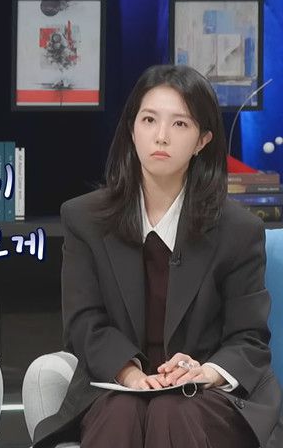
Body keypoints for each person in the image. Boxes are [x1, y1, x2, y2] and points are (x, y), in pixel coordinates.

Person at [32, 64, 282, 447]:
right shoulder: (85, 219)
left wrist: (204, 372)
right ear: (132, 129)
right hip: (117, 386)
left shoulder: (237, 230)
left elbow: (248, 336)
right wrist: (130, 373)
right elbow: (84, 322)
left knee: (171, 409)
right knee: (123, 411)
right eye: (149, 120)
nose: (161, 136)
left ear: (202, 140)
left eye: (180, 124)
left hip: (209, 396)